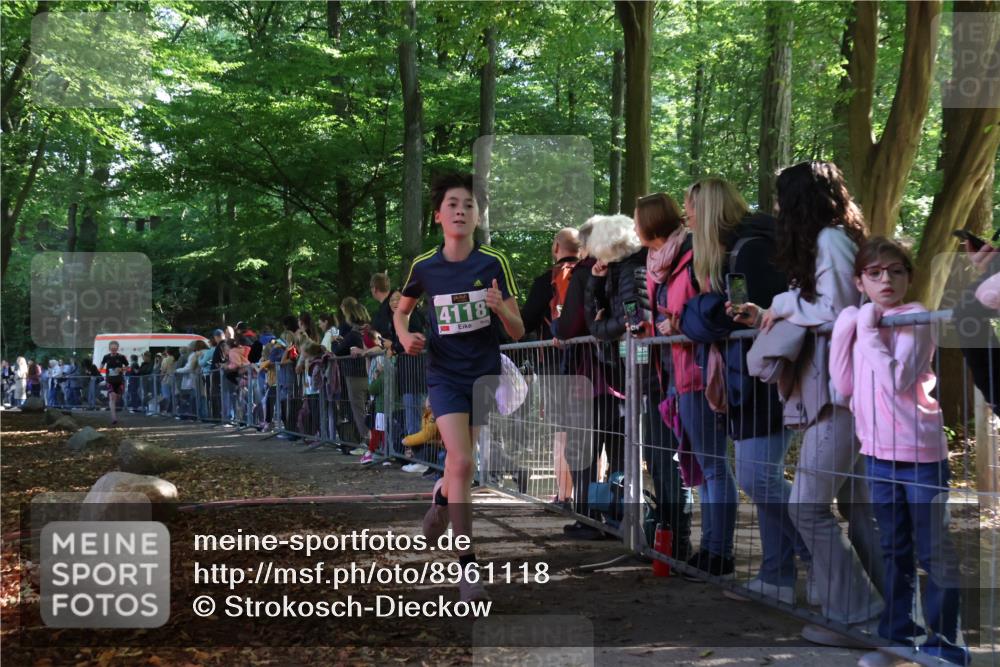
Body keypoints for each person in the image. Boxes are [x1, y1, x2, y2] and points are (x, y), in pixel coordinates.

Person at [740, 161, 883, 641]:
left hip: (840, 396)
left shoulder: (830, 241)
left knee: (808, 507)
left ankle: (858, 615)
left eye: (782, 198)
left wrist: (782, 304)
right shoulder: (832, 241)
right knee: (853, 509)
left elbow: (840, 312)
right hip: (836, 391)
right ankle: (888, 614)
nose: (777, 208)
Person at [831, 237, 969, 666]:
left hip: (920, 458)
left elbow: (896, 378)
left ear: (909, 277)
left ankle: (946, 646)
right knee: (894, 548)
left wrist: (867, 327)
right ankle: (897, 637)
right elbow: (843, 386)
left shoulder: (914, 318)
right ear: (860, 281)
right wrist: (846, 326)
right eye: (874, 273)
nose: (885, 279)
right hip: (877, 456)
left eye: (895, 270)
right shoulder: (865, 320)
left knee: (933, 552)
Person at [677, 179, 808, 600]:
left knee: (758, 477)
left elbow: (746, 317)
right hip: (746, 378)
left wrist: (703, 314)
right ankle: (777, 576)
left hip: (766, 379)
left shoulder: (750, 250)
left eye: (691, 206)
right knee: (760, 475)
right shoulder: (736, 250)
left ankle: (823, 553)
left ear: (710, 209)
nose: (686, 214)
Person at [395, 172, 524, 602]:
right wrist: (403, 335)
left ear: (478, 215)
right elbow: (402, 310)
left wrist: (500, 309)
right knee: (464, 462)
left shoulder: (494, 264)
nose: (461, 211)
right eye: (453, 204)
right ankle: (467, 568)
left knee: (459, 467)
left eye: (469, 205)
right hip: (445, 375)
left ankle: (439, 502)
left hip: (484, 375)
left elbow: (519, 330)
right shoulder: (424, 267)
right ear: (438, 216)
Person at [519, 228, 582, 508]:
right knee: (592, 429)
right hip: (592, 363)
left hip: (555, 365)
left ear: (556, 247)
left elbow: (525, 323)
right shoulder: (593, 274)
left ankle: (564, 495)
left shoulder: (547, 280)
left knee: (561, 431)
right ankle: (593, 495)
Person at [335, 297, 374, 448]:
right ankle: (373, 440)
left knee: (358, 410)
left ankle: (367, 441)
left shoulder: (352, 334)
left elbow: (338, 351)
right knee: (369, 408)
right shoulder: (369, 332)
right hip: (369, 374)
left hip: (355, 375)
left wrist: (336, 341)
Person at [101, 341, 129, 425]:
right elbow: (101, 366)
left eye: (115, 348)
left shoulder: (121, 357)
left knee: (117, 397)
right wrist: (101, 367)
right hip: (110, 380)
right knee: (112, 397)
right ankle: (114, 417)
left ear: (117, 348)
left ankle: (114, 413)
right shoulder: (106, 357)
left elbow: (128, 367)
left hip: (119, 380)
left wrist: (121, 369)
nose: (113, 349)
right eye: (112, 348)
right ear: (109, 348)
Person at [370, 273, 394, 339]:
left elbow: (387, 336)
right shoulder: (394, 300)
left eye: (371, 287)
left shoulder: (387, 307)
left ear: (374, 289)